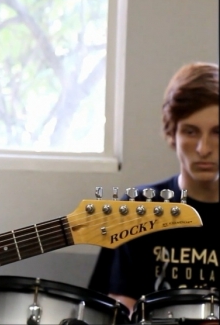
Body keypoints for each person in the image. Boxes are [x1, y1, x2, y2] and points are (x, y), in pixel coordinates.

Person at [88, 62, 219, 315]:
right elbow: (115, 311)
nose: (204, 148)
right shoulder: (137, 209)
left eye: (218, 132)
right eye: (190, 132)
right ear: (173, 135)